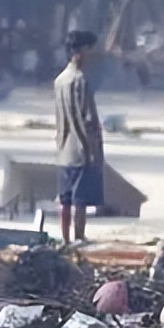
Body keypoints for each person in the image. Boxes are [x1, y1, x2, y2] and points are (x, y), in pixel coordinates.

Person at [54, 29, 105, 245]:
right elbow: (88, 120)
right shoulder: (81, 80)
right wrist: (94, 151)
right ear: (80, 51)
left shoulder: (60, 80)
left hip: (64, 148)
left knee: (65, 198)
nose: (91, 55)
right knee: (80, 199)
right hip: (82, 149)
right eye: (89, 49)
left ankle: (65, 239)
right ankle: (79, 237)